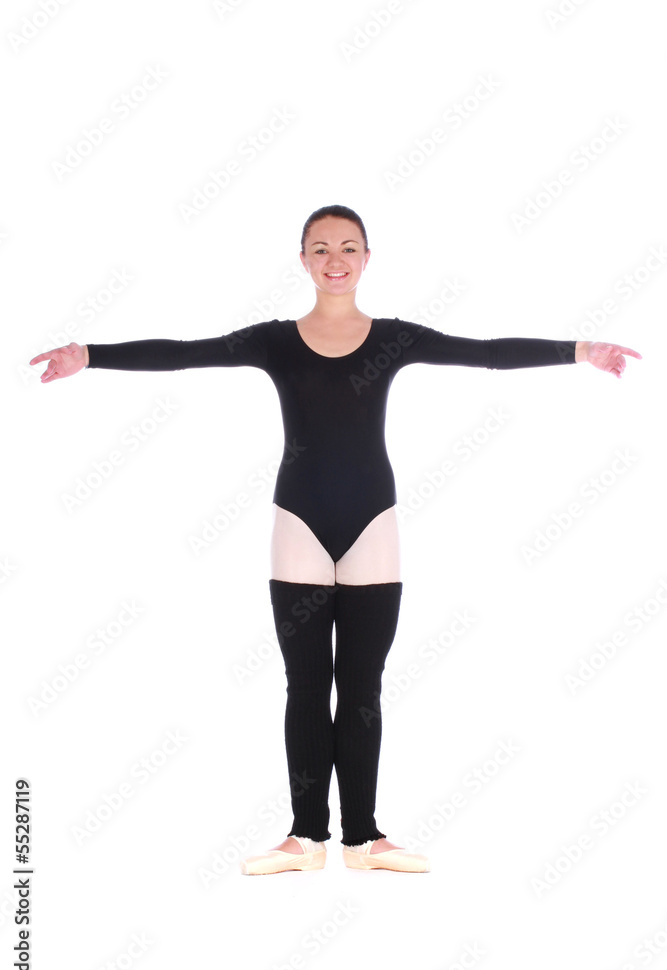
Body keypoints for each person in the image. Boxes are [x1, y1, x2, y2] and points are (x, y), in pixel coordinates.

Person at [29, 205, 642, 875]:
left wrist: (579, 352)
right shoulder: (274, 340)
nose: (334, 258)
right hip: (298, 522)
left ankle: (365, 839)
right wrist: (88, 356)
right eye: (319, 248)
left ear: (366, 257)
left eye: (347, 246)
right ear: (302, 261)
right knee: (303, 685)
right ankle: (303, 839)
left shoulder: (394, 338)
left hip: (372, 522)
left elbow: (486, 354)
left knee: (361, 687)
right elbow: (183, 355)